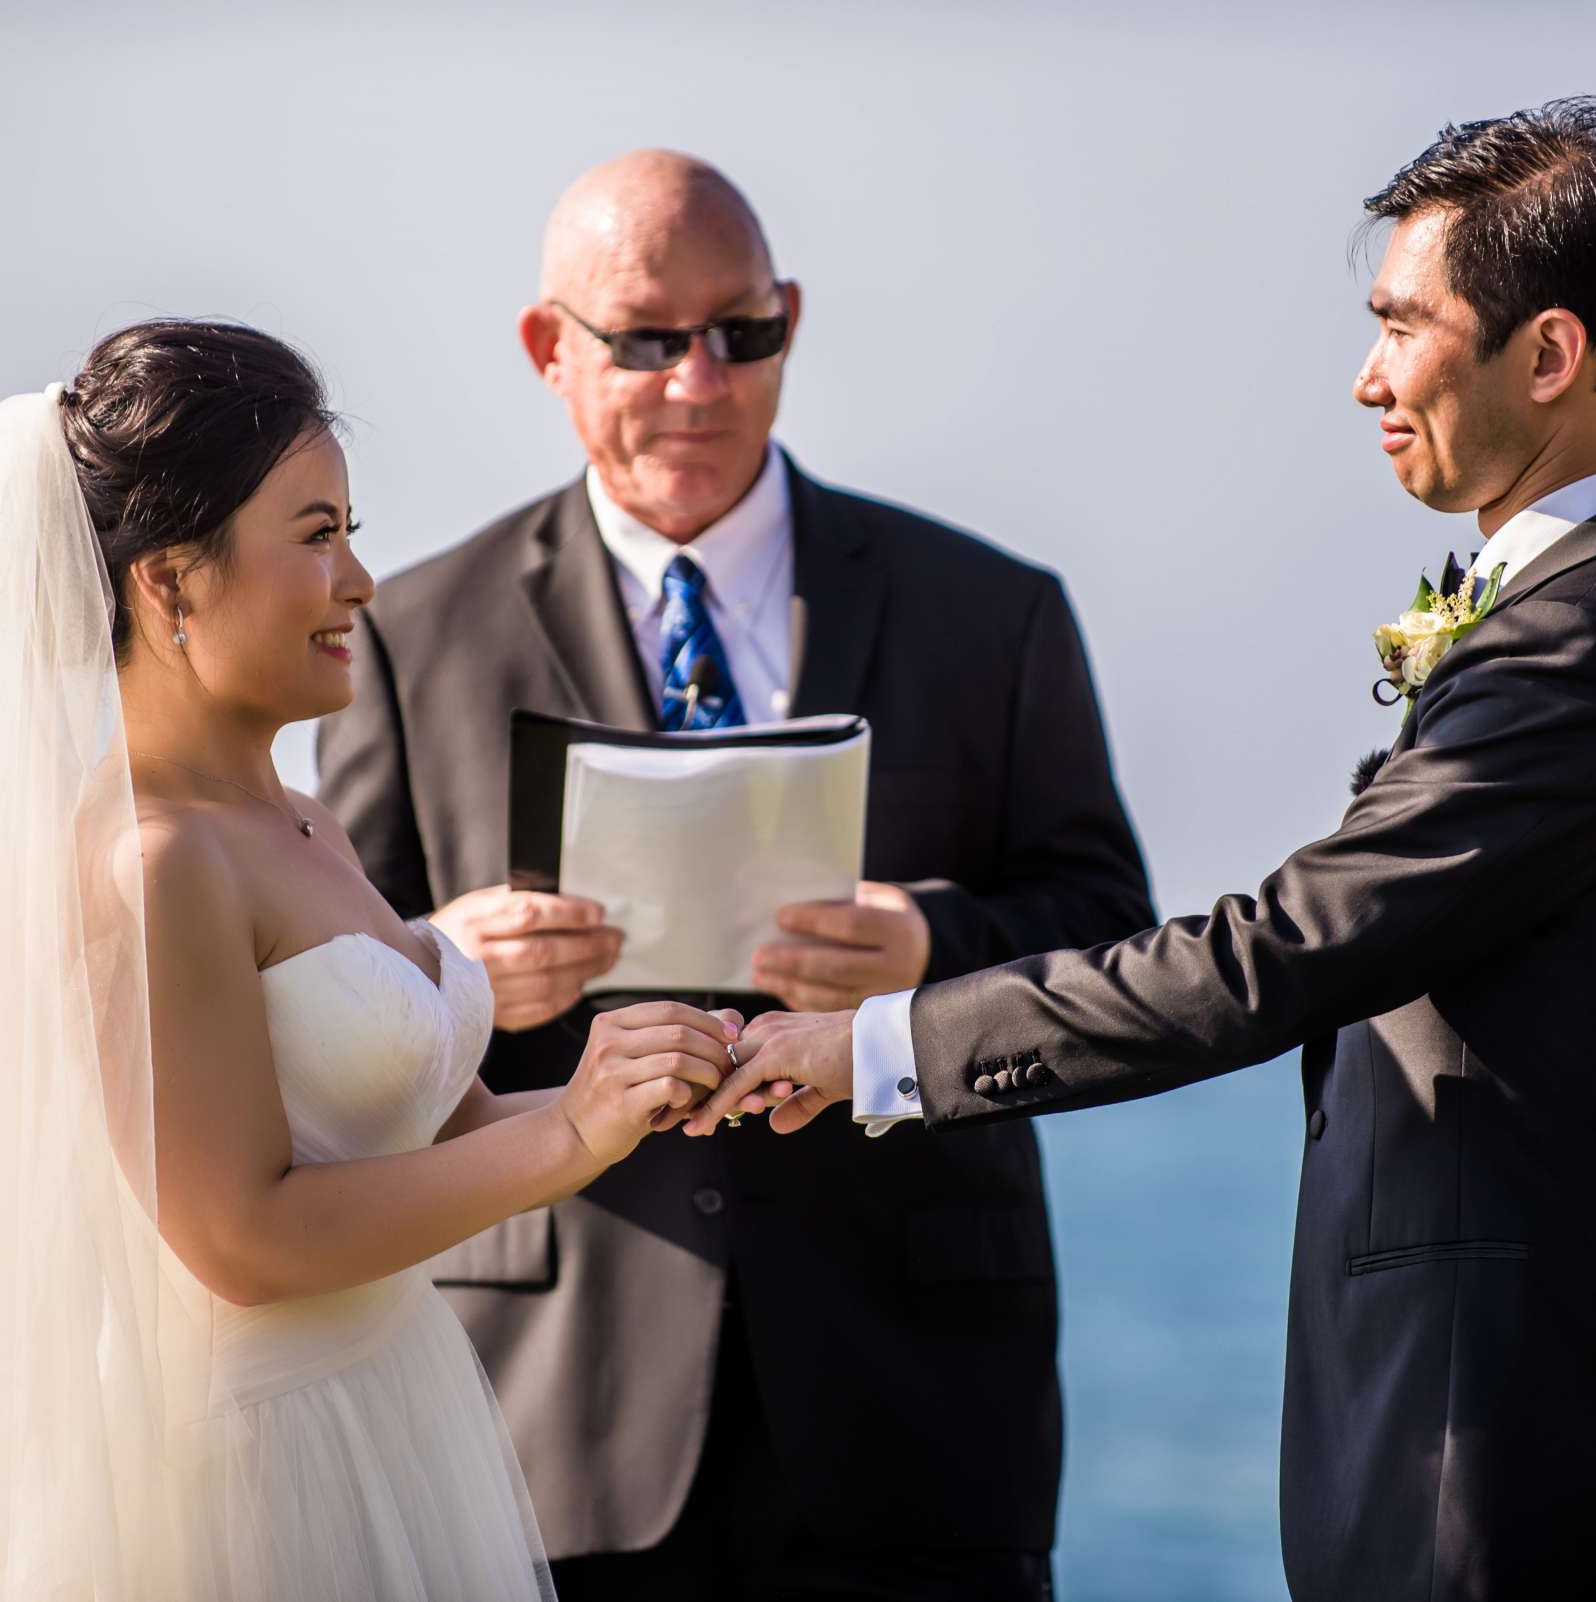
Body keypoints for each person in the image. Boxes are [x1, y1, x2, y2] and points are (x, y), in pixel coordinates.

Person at [707, 99, 1596, 1601]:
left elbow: (1278, 951)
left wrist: (876, 1051)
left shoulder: (1594, 644)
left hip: (1525, 1474)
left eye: (1406, 326)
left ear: (1548, 356)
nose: (1366, 378)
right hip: (1479, 1446)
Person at [0, 320, 740, 1600]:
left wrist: (640, 1080)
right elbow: (238, 1235)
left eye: (351, 528)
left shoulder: (302, 821)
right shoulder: (149, 862)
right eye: (317, 534)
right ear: (170, 583)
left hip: (393, 1407)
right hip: (251, 1482)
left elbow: (442, 1145)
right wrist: (569, 1140)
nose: (363, 581)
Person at [316, 151, 1151, 1600]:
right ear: (548, 349)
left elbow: (1112, 943)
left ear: (790, 323)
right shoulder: (410, 633)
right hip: (551, 1411)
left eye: (741, 332)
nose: (699, 381)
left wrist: (928, 943)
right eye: (646, 339)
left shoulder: (992, 613)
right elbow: (337, 1010)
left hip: (919, 1404)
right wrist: (453, 966)